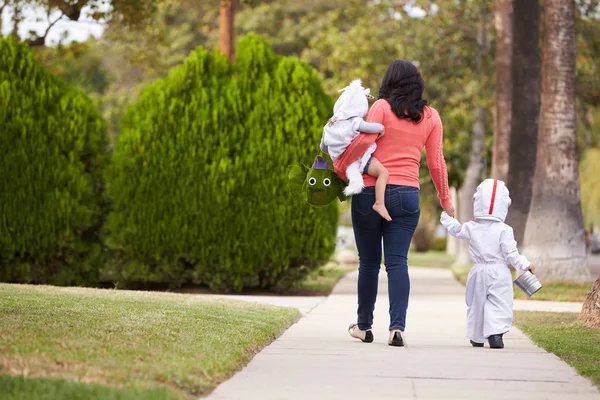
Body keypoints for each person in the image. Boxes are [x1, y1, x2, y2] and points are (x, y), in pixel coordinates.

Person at [338, 60, 454, 346]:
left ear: (389, 81)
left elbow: (363, 144)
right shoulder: (432, 117)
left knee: (368, 263)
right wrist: (445, 200)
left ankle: (364, 327)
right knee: (398, 263)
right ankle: (397, 329)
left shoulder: (380, 108)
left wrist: (341, 166)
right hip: (406, 195)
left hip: (368, 191)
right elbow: (436, 163)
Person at [440, 179, 535, 349]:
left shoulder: (471, 227)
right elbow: (511, 254)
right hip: (499, 272)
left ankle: (476, 337)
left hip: (478, 271)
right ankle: (495, 335)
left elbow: (455, 229)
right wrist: (525, 265)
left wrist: (446, 216)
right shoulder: (505, 230)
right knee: (499, 302)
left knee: (477, 303)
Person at [320, 79, 391, 221]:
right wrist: (382, 128)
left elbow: (324, 148)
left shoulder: (329, 125)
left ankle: (353, 180)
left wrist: (339, 148)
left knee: (356, 171)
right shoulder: (354, 121)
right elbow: (372, 127)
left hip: (341, 161)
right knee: (383, 173)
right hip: (359, 159)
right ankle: (379, 203)